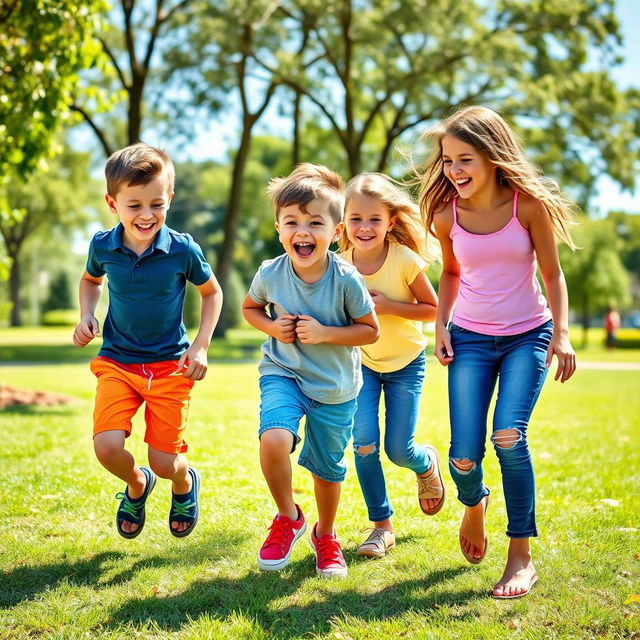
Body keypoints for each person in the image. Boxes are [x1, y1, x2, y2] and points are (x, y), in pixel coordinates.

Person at [418, 106, 577, 599]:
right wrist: (440, 327)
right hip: (467, 336)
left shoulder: (526, 206)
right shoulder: (447, 216)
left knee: (508, 435)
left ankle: (520, 556)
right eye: (447, 161)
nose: (454, 171)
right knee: (464, 458)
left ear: (492, 157)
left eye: (465, 159)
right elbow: (449, 273)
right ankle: (474, 501)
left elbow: (552, 274)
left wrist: (563, 333)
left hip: (527, 335)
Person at [73, 142, 223, 539]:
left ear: (169, 199)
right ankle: (137, 485)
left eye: (156, 204)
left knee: (164, 461)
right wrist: (87, 314)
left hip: (170, 367)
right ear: (112, 203)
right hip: (117, 362)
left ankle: (183, 482)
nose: (146, 214)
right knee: (106, 447)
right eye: (134, 205)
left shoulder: (182, 249)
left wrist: (202, 345)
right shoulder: (103, 245)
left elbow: (213, 293)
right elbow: (91, 281)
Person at [241, 163, 379, 578]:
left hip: (336, 386)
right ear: (279, 229)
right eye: (292, 222)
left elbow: (370, 331)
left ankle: (326, 534)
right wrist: (270, 326)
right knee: (273, 439)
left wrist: (325, 333)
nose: (303, 231)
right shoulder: (270, 272)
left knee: (326, 469)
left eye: (315, 222)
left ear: (336, 232)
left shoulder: (346, 279)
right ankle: (289, 517)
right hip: (283, 372)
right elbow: (250, 308)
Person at [338, 173, 444, 558]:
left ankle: (425, 462)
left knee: (399, 450)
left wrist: (386, 306)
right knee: (363, 445)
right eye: (356, 219)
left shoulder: (403, 259)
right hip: (360, 365)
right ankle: (381, 527)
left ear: (390, 223)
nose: (364, 228)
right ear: (343, 222)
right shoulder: (339, 265)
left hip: (406, 364)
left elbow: (433, 310)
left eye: (374, 219)